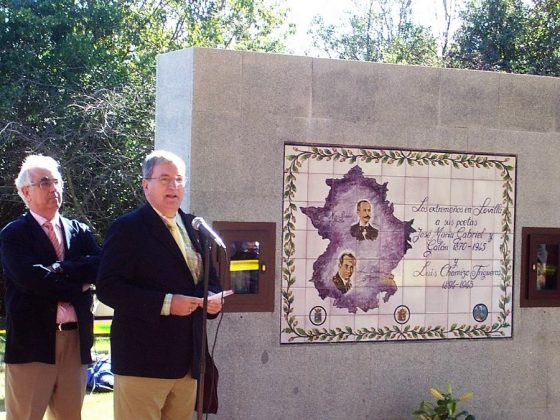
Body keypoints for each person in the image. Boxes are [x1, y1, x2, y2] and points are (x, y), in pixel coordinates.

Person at [96, 150, 223, 419]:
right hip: (143, 361)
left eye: (178, 179)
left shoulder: (195, 226)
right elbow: (109, 287)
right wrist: (166, 303)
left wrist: (212, 299)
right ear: (146, 184)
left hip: (189, 361)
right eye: (165, 179)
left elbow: (209, 279)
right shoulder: (127, 228)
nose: (173, 186)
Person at [0, 155, 101, 420]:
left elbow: (100, 266)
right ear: (26, 192)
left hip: (75, 342)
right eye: (45, 182)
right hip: (32, 345)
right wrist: (78, 287)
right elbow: (31, 280)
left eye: (57, 181)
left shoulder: (79, 231)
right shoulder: (13, 234)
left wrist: (62, 268)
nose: (54, 188)